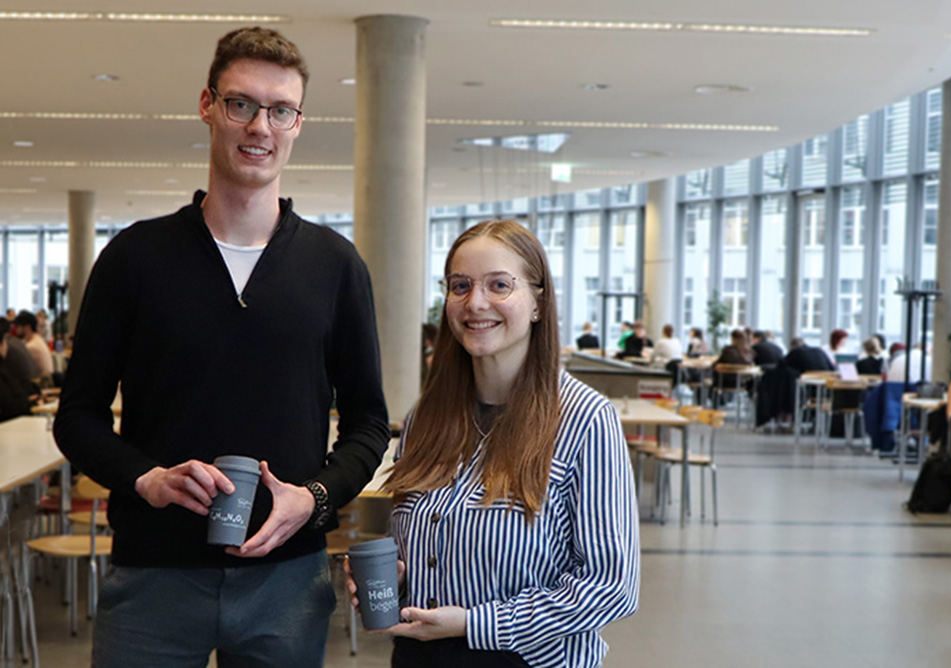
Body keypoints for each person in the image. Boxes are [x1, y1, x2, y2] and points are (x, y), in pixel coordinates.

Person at [53, 27, 390, 667]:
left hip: (287, 581)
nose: (259, 126)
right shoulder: (135, 258)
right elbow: (78, 415)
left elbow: (370, 423)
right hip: (153, 575)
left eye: (280, 110)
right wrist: (145, 478)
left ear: (297, 123)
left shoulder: (334, 265)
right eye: (242, 104)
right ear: (208, 105)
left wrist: (314, 500)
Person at [351, 220, 639, 667]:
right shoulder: (425, 419)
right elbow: (424, 546)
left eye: (499, 285)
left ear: (538, 303)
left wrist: (473, 623)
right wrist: (398, 580)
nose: (476, 302)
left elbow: (611, 588)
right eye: (460, 286)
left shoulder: (586, 421)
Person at [13, 310, 54, 384]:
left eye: (18, 326)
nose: (16, 330)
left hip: (41, 386)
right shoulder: (38, 340)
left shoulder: (31, 347)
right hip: (43, 383)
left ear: (27, 328)